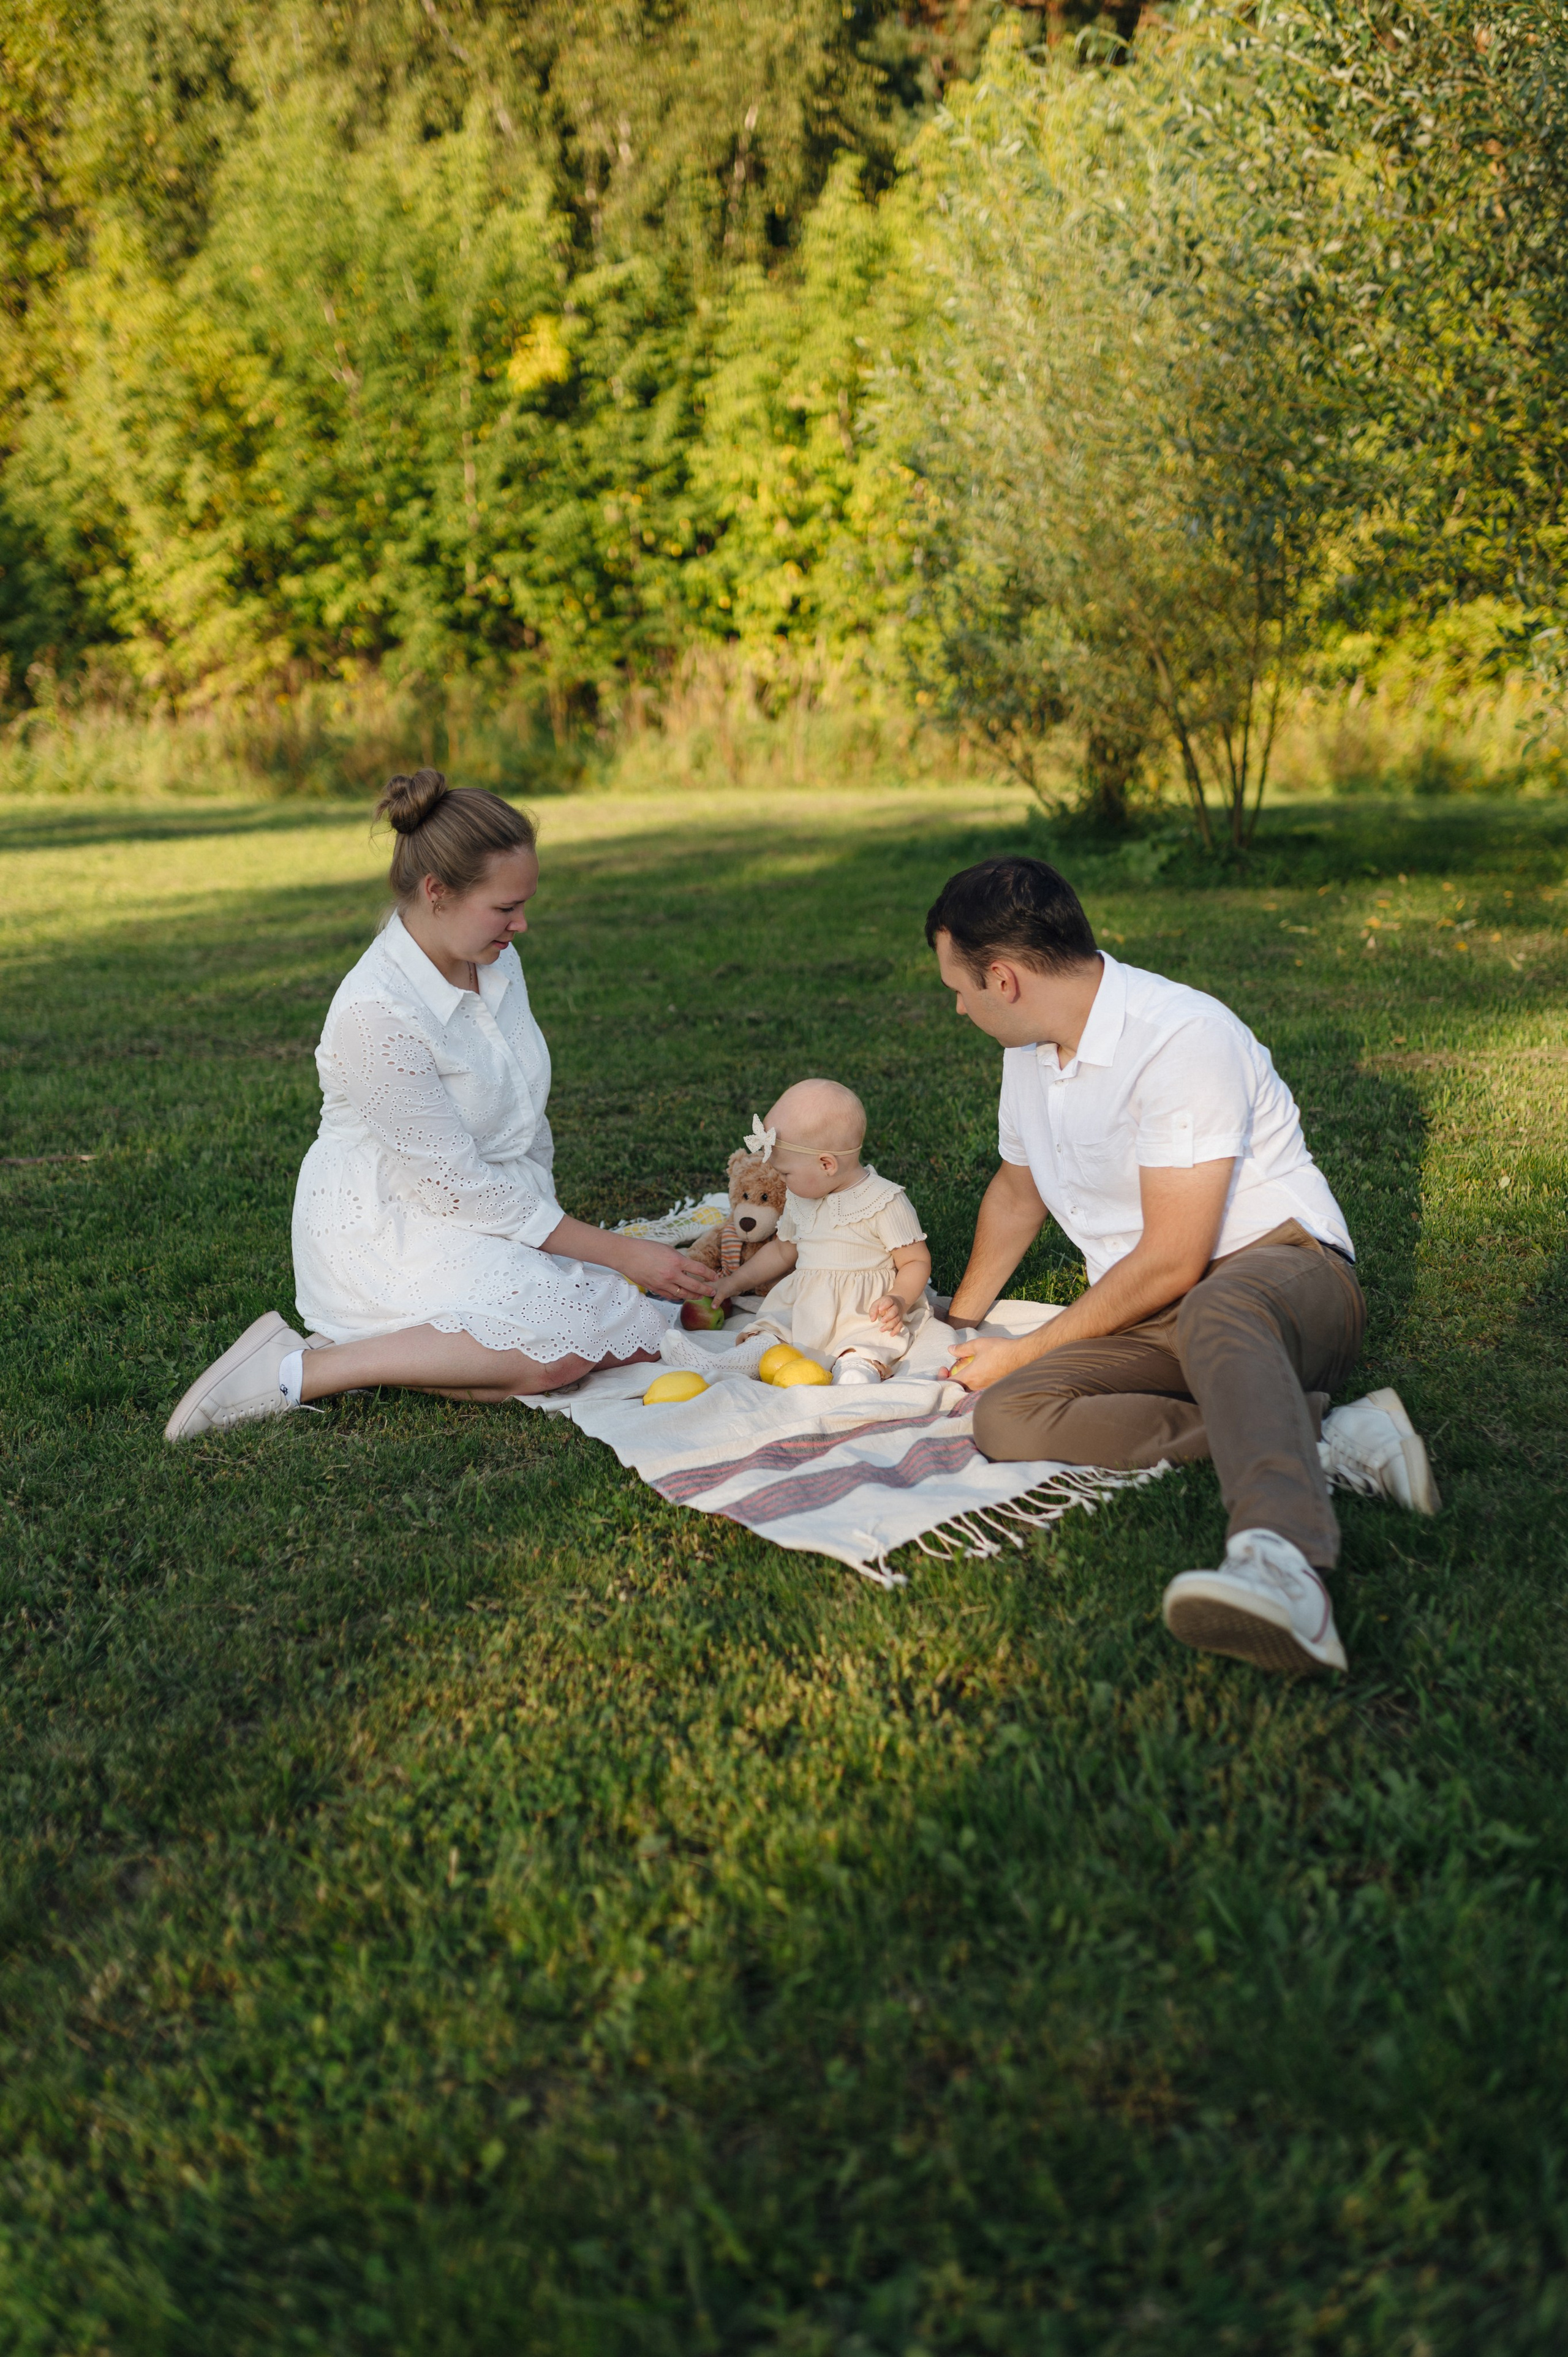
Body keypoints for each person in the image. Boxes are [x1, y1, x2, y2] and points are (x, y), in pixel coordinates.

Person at [927, 855, 1438, 1676]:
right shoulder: (1028, 1057)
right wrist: (955, 1325)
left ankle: (1283, 1567)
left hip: (1284, 1276)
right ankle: (1322, 1432)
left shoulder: (1181, 1037)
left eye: (959, 986)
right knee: (1008, 1415)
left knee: (1212, 1310)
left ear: (1005, 978)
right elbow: (1018, 1194)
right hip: (1161, 1314)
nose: (956, 1005)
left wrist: (1026, 1343)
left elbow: (1174, 1260)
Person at [165, 770, 715, 1439]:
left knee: (626, 1330)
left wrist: (567, 1237)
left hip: (482, 1207)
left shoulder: (493, 956)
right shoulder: (377, 1012)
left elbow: (517, 1118)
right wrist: (611, 1251)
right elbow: (454, 1188)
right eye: (506, 906)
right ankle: (305, 1367)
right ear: (437, 893)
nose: (522, 923)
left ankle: (457, 1333)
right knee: (558, 1351)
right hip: (388, 1226)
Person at [704, 1081, 935, 1383]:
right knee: (775, 1327)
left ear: (826, 1164)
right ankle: (743, 1359)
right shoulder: (800, 1199)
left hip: (864, 1310)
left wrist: (900, 1299)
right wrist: (735, 1282)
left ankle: (856, 1370)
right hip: (808, 1306)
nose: (782, 1181)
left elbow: (915, 1261)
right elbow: (782, 1250)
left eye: (786, 1173)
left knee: (869, 1342)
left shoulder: (883, 1201)